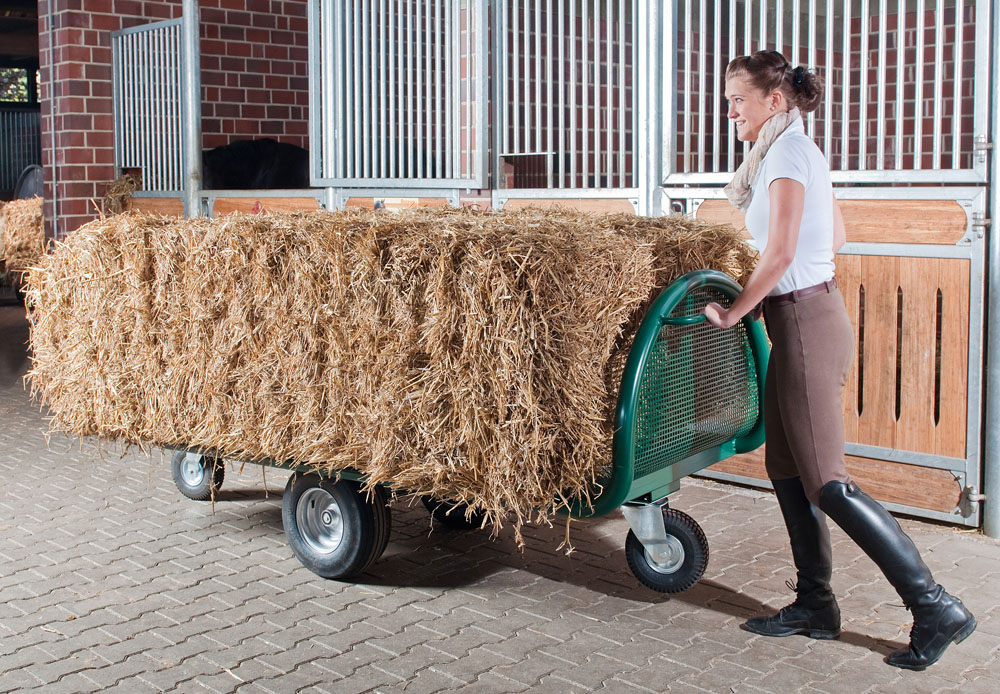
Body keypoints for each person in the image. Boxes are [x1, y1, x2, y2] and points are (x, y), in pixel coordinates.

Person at [703, 50, 975, 671]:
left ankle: (935, 605)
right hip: (801, 315)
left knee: (826, 479)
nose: (730, 112)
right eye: (729, 100)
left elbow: (780, 252)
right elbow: (838, 235)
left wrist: (735, 311)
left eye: (738, 99)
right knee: (786, 467)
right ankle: (815, 605)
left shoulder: (790, 154)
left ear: (775, 100)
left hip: (802, 320)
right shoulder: (786, 151)